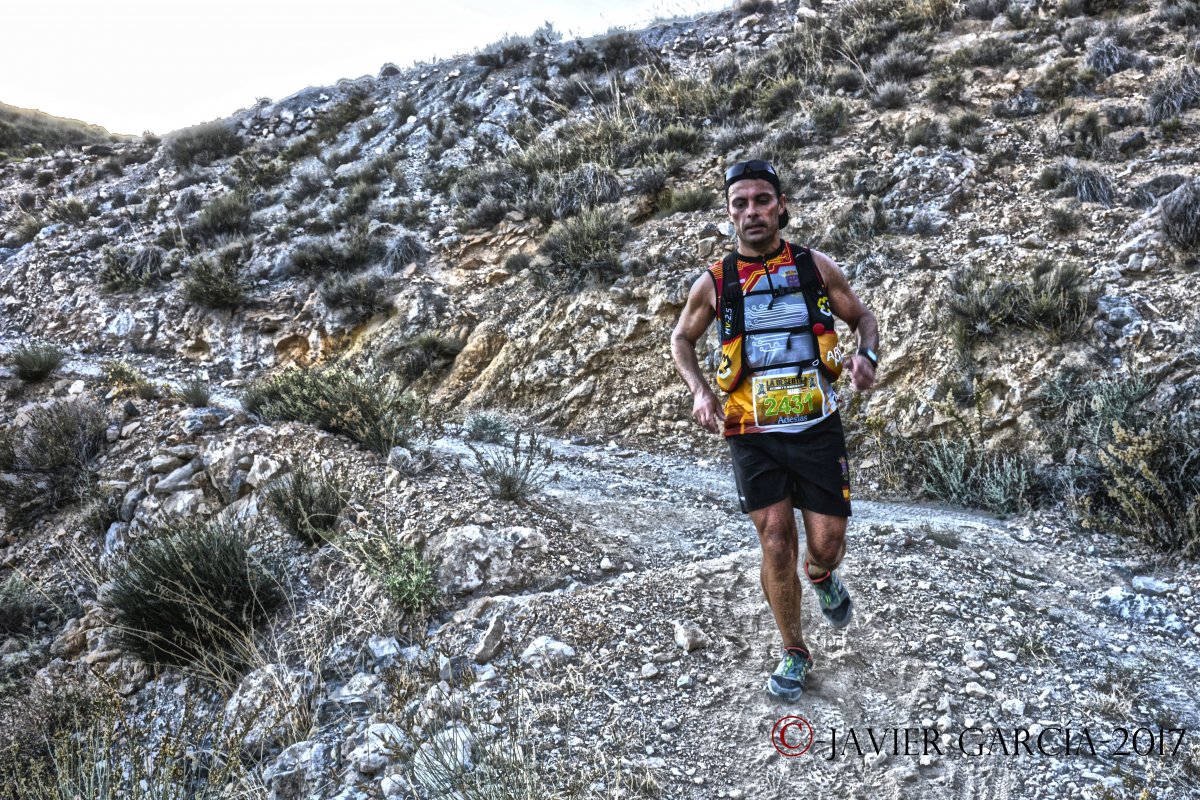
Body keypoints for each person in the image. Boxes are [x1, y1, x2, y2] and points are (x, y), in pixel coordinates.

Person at [670, 159, 879, 702]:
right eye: (739, 203)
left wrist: (867, 356)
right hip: (751, 431)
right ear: (729, 214)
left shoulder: (814, 266)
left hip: (817, 427)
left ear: (781, 205)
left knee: (827, 544)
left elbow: (862, 318)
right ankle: (794, 650)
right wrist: (700, 391)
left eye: (762, 200)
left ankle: (821, 574)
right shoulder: (716, 282)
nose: (752, 212)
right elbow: (681, 339)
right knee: (776, 539)